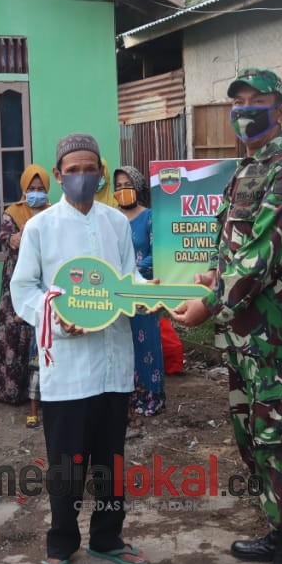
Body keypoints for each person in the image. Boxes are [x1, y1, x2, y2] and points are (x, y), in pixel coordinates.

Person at [172, 68, 282, 564]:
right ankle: (279, 530)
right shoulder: (247, 169)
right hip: (244, 333)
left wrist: (211, 301)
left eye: (259, 100)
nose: (245, 110)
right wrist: (213, 276)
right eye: (238, 102)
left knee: (281, 438)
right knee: (253, 435)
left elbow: (262, 255)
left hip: (277, 333)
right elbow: (236, 249)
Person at [11, 133, 148, 564]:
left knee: (110, 459)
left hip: (112, 360)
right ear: (58, 175)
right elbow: (23, 290)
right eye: (73, 170)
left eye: (91, 169)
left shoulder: (116, 223)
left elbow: (128, 279)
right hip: (67, 367)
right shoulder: (41, 228)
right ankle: (60, 544)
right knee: (66, 464)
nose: (83, 177)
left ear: (101, 173)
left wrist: (159, 294)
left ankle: (107, 537)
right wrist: (57, 314)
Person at [0, 163, 51, 426]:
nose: (35, 193)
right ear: (24, 189)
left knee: (40, 333)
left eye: (40, 188)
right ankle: (11, 390)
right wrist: (17, 236)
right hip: (15, 281)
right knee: (13, 332)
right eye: (31, 188)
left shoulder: (54, 212)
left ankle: (41, 394)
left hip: (44, 280)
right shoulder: (12, 213)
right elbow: (6, 239)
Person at [113, 165, 166, 417]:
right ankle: (126, 396)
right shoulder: (110, 219)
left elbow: (158, 252)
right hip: (117, 292)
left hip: (144, 291)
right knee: (122, 343)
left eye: (128, 185)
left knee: (146, 342)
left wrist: (133, 271)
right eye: (119, 186)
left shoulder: (150, 217)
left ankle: (150, 396)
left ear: (138, 187)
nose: (123, 190)